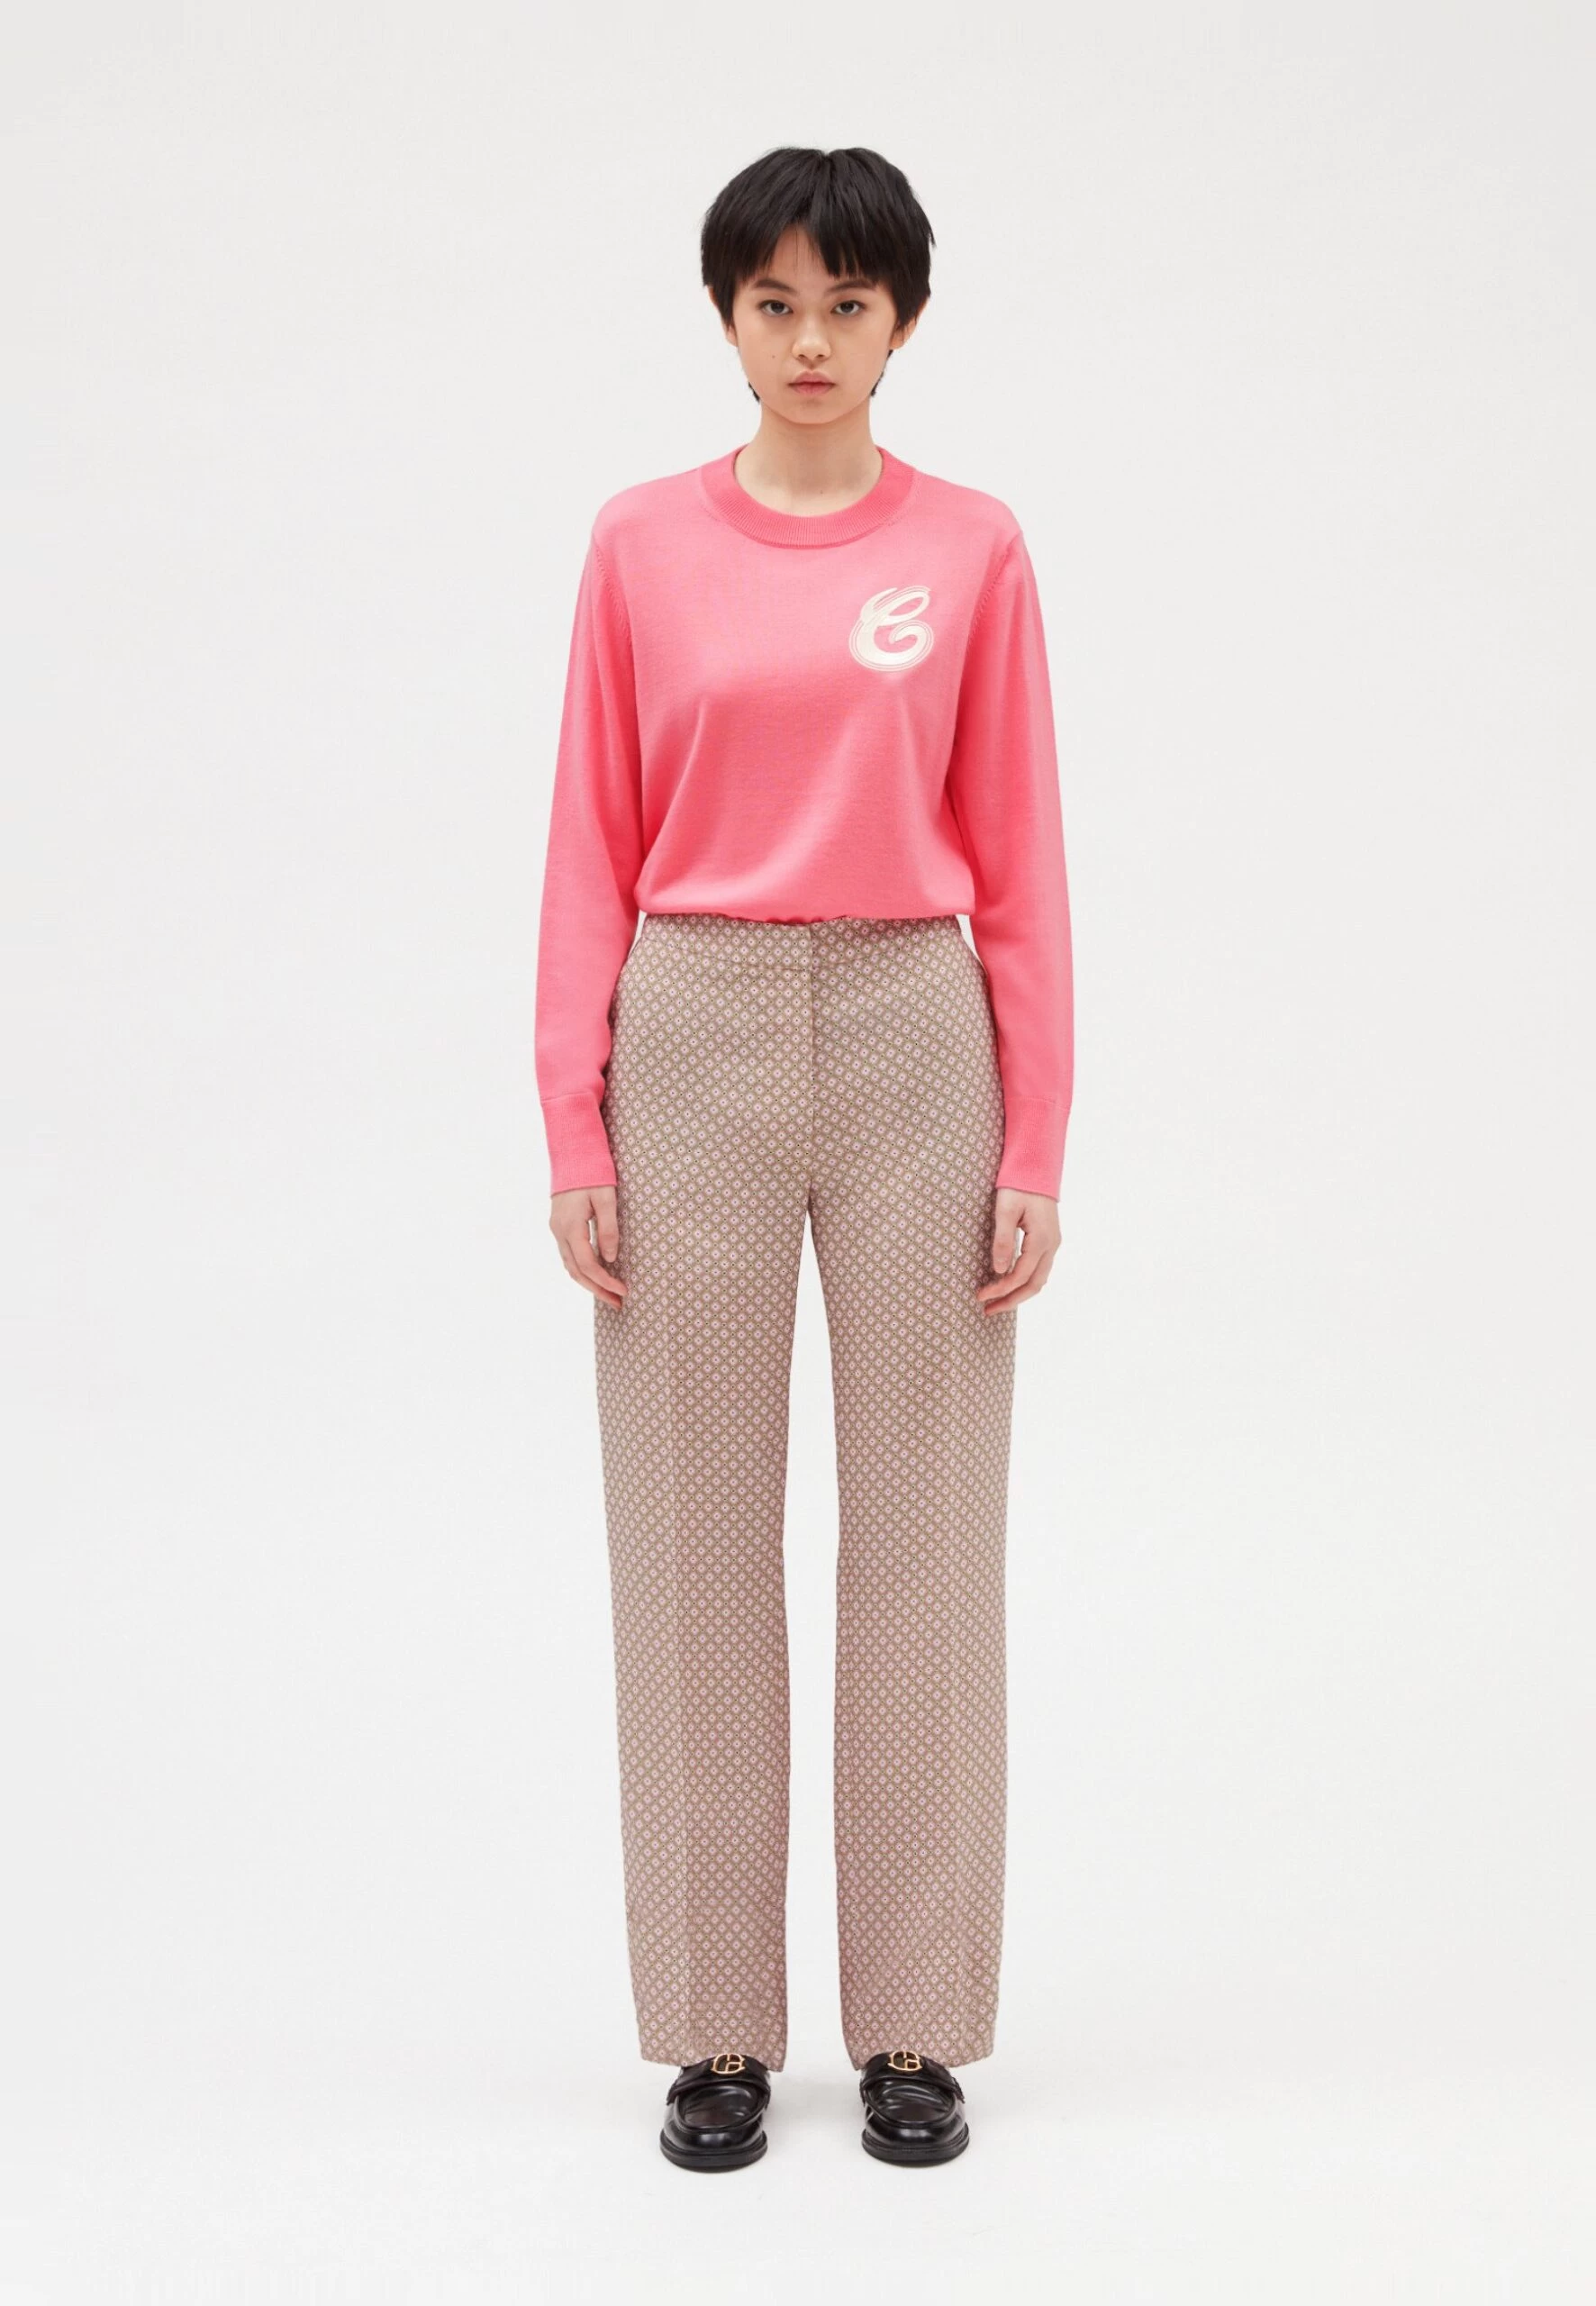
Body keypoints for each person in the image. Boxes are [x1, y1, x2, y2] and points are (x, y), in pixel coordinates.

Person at [534, 144, 1074, 2170]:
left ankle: (916, 2022)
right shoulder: (638, 547)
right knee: (688, 1529)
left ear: (903, 321)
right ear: (726, 318)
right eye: (775, 303)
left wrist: (1036, 1129)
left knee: (927, 1529)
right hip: (688, 1020)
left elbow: (1018, 854)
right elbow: (587, 841)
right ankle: (715, 2028)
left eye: (849, 304)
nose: (812, 339)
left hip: (920, 1025)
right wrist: (573, 1113)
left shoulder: (975, 549)